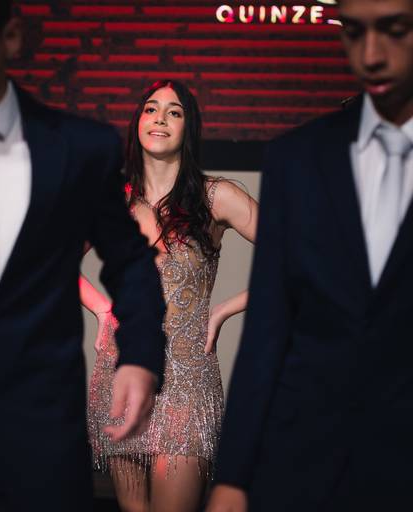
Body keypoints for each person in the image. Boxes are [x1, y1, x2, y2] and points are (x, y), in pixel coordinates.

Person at [0, 1, 167, 511]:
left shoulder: (81, 148)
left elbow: (131, 263)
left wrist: (140, 358)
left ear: (11, 37)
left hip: (43, 452)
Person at [207, 0, 413, 511]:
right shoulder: (296, 157)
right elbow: (269, 328)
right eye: (354, 31)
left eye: (394, 30)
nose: (371, 55)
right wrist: (233, 476)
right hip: (303, 460)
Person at [85, 80, 258, 512]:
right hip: (121, 373)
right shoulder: (112, 200)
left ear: (188, 127)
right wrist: (101, 309)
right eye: (150, 108)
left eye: (174, 111)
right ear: (137, 122)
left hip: (188, 384)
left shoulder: (216, 196)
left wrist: (224, 310)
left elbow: (298, 258)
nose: (159, 118)